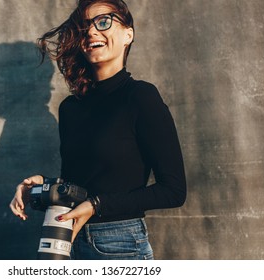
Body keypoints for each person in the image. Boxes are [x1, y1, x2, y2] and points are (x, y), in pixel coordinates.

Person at [10, 0, 186, 260]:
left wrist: (96, 206)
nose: (91, 32)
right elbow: (84, 187)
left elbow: (173, 190)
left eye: (103, 22)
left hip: (120, 244)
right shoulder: (70, 108)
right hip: (65, 238)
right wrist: (44, 186)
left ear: (128, 35)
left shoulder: (141, 97)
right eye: (83, 27)